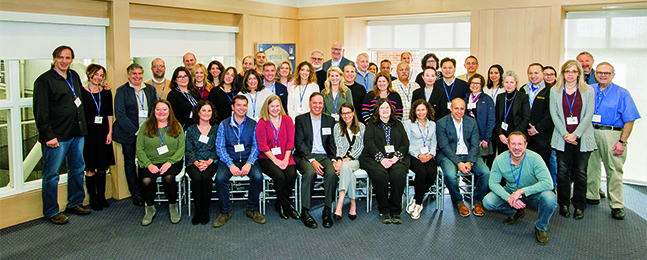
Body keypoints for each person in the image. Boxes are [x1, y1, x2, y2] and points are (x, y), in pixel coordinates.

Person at [33, 46, 90, 224]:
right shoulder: (44, 81)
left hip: (77, 132)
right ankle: (51, 211)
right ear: (54, 59)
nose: (64, 61)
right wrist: (49, 135)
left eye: (68, 58)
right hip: (56, 137)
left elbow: (80, 97)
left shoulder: (73, 75)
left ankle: (75, 202)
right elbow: (40, 112)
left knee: (78, 169)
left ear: (72, 59)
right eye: (61, 57)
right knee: (51, 175)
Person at [586, 62, 641, 220]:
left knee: (614, 170)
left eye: (607, 73)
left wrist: (622, 141)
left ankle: (616, 204)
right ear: (595, 74)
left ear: (613, 75)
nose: (603, 75)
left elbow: (629, 120)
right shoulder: (590, 90)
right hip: (591, 132)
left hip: (612, 134)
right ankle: (592, 195)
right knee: (592, 166)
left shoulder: (622, 93)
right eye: (600, 72)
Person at [483, 131, 557, 245]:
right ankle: (515, 212)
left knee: (550, 198)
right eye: (513, 144)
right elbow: (493, 183)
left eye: (520, 144)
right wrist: (509, 197)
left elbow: (548, 183)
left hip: (532, 195)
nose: (516, 148)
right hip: (511, 193)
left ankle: (541, 227)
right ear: (508, 145)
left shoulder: (535, 158)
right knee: (488, 201)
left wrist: (521, 191)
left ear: (525, 145)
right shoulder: (499, 160)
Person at [549, 60, 597, 220]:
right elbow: (554, 114)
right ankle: (563, 203)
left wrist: (575, 134)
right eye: (567, 71)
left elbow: (588, 115)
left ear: (579, 74)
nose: (570, 74)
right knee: (562, 172)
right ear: (563, 73)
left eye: (574, 71)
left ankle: (579, 205)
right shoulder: (555, 90)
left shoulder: (588, 90)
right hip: (562, 138)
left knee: (581, 173)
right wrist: (565, 134)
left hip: (582, 138)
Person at [213, 95, 265, 227]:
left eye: (244, 105)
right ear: (233, 107)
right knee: (219, 179)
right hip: (229, 160)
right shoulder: (224, 124)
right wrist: (230, 164)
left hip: (248, 159)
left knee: (258, 177)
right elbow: (220, 148)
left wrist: (249, 163)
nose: (242, 108)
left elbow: (256, 146)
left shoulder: (253, 124)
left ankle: (252, 210)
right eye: (238, 105)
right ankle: (225, 212)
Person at [113, 63, 157, 207]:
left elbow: (154, 110)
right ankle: (135, 192)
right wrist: (136, 131)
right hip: (129, 133)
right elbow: (120, 115)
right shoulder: (122, 91)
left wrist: (150, 129)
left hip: (148, 133)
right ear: (128, 75)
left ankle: (147, 189)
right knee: (130, 163)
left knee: (148, 161)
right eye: (134, 74)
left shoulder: (150, 89)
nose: (137, 76)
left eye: (139, 73)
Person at [437, 98, 490, 217]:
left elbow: (474, 144)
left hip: (469, 155)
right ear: (451, 108)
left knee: (485, 173)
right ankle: (459, 201)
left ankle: (477, 200)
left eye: (462, 109)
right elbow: (444, 147)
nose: (459, 111)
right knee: (450, 175)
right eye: (456, 108)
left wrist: (470, 162)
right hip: (449, 156)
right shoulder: (441, 123)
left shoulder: (471, 122)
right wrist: (459, 163)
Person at [359, 99, 410, 224]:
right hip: (374, 158)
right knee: (381, 176)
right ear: (377, 110)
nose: (385, 110)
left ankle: (396, 210)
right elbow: (369, 143)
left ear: (391, 110)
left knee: (398, 175)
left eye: (387, 108)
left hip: (395, 158)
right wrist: (381, 159)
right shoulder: (371, 124)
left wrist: (395, 158)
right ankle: (384, 210)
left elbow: (405, 143)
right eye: (382, 108)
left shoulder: (398, 123)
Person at [137, 100, 185, 226]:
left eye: (164, 109)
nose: (161, 112)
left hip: (172, 162)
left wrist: (170, 162)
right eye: (158, 109)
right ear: (154, 111)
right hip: (150, 162)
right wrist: (148, 164)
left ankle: (172, 205)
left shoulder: (176, 125)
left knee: (168, 178)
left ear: (169, 111)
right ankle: (150, 208)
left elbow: (181, 148)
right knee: (146, 181)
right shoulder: (145, 126)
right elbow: (139, 148)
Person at [294, 92, 338, 229]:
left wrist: (333, 159)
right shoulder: (301, 119)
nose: (317, 106)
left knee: (331, 173)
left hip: (324, 156)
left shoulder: (329, 120)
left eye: (320, 103)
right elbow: (299, 143)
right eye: (314, 103)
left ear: (323, 105)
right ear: (309, 104)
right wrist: (312, 160)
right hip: (305, 156)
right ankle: (305, 211)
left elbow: (331, 143)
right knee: (310, 173)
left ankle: (327, 209)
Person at [255, 95, 300, 220]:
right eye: (272, 106)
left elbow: (290, 142)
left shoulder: (287, 120)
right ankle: (287, 206)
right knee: (279, 176)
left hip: (286, 156)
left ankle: (279, 203)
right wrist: (276, 161)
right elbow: (262, 145)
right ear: (267, 107)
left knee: (291, 174)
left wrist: (285, 160)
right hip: (267, 158)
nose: (275, 109)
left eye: (277, 106)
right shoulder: (262, 122)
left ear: (281, 106)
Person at [82, 64, 115, 211]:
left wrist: (110, 132)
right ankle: (93, 197)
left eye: (101, 75)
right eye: (96, 74)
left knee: (102, 166)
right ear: (89, 74)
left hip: (103, 132)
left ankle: (101, 196)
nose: (98, 78)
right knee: (91, 167)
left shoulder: (106, 92)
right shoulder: (81, 91)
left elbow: (109, 113)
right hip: (89, 133)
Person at [185, 100, 219, 225]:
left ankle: (205, 211)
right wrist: (196, 162)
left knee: (206, 177)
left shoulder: (216, 128)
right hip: (194, 162)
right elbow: (188, 149)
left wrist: (209, 161)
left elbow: (218, 148)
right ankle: (198, 211)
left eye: (209, 110)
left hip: (211, 160)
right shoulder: (191, 129)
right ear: (198, 112)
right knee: (196, 178)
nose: (206, 113)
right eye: (203, 110)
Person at [403, 100, 437, 219]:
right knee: (421, 172)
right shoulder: (408, 123)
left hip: (428, 154)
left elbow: (434, 142)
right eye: (418, 110)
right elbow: (407, 142)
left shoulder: (432, 124)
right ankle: (418, 204)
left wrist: (430, 155)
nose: (421, 112)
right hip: (413, 155)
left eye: (423, 109)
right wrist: (418, 155)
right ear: (414, 111)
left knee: (432, 173)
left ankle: (417, 197)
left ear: (427, 110)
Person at [333, 102, 365, 221]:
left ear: (353, 113)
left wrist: (349, 158)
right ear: (340, 115)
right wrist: (340, 160)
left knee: (347, 167)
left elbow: (360, 147)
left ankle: (340, 203)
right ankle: (353, 204)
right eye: (343, 113)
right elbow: (338, 146)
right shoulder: (337, 127)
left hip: (355, 160)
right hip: (343, 162)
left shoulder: (361, 126)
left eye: (348, 112)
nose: (346, 116)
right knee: (348, 172)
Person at [519, 63, 553, 173]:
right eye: (530, 73)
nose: (533, 76)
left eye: (536, 73)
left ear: (543, 74)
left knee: (542, 165)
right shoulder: (523, 89)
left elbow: (550, 114)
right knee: (526, 165)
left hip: (543, 135)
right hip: (526, 135)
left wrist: (537, 128)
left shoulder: (551, 90)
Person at [494, 70, 531, 154]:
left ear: (516, 83)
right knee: (503, 160)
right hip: (502, 137)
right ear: (503, 83)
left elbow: (526, 118)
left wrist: (513, 136)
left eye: (511, 82)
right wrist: (500, 134)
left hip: (518, 136)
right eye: (506, 82)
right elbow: (496, 118)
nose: (509, 85)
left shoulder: (523, 97)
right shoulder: (500, 97)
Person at [464, 74, 496, 164]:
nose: (475, 85)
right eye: (473, 83)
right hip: (467, 136)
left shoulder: (487, 99)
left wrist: (486, 138)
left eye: (477, 83)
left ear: (482, 85)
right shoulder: (466, 98)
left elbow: (491, 120)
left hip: (482, 137)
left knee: (480, 162)